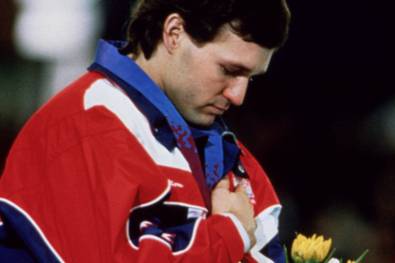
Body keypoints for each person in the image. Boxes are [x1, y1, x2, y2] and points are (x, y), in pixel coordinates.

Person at [0, 0, 290, 261]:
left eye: (249, 78)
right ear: (174, 33)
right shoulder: (82, 127)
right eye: (228, 70)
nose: (238, 96)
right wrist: (230, 232)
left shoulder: (232, 159)